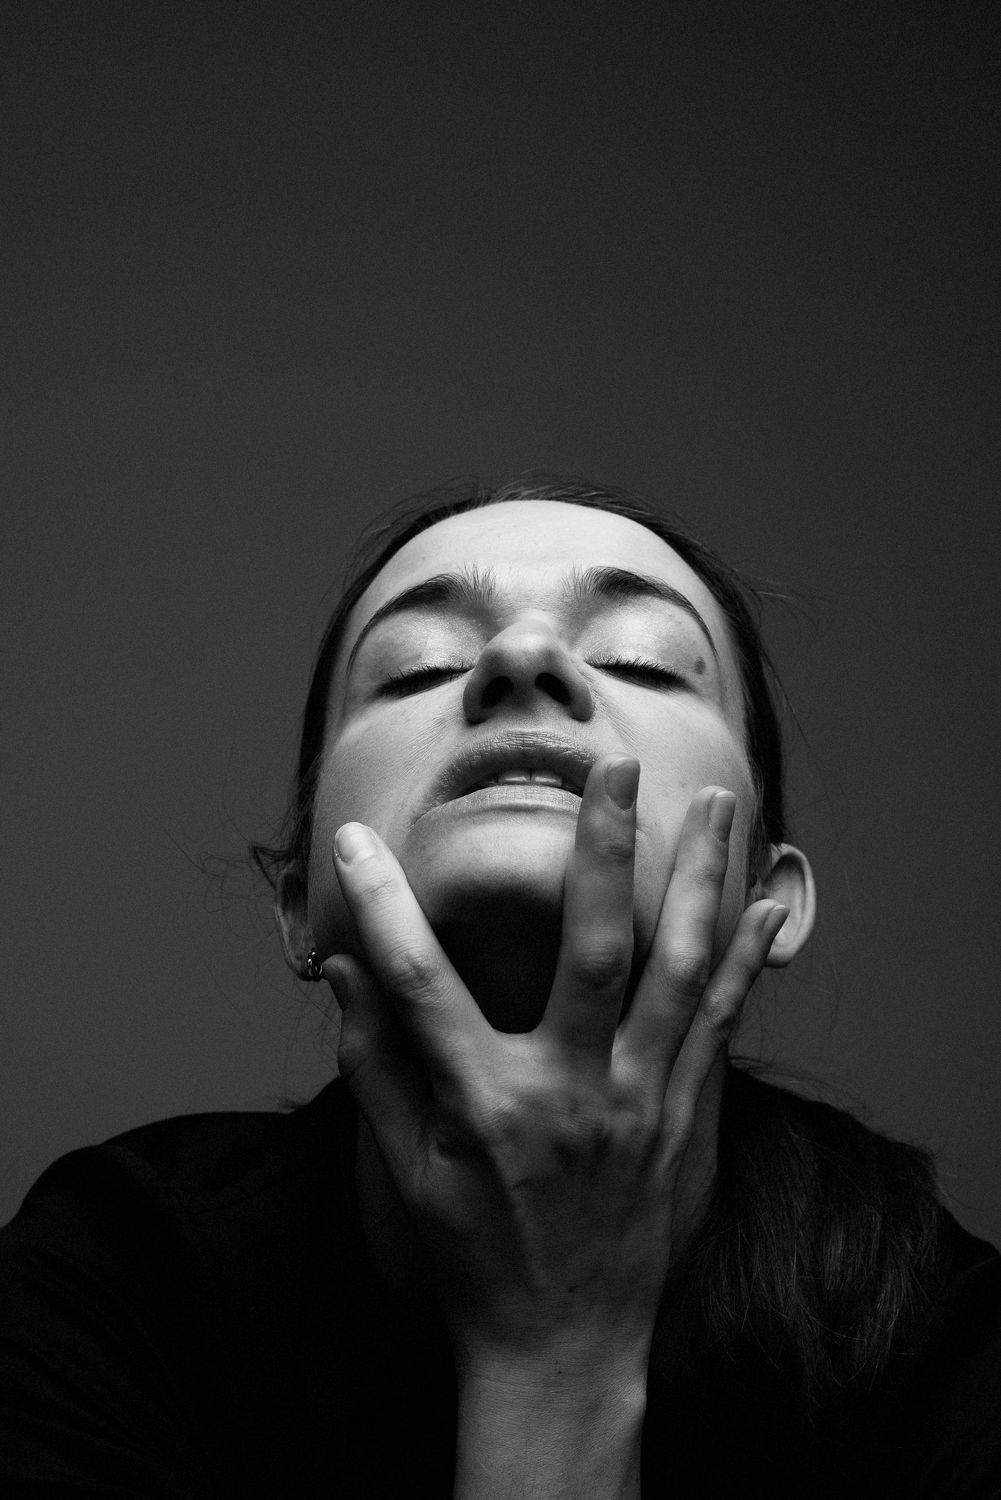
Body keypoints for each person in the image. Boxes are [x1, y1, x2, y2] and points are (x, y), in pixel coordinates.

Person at [2, 476, 999, 1498]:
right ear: (299, 904)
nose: (521, 659)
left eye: (640, 659)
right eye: (418, 666)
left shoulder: (948, 1347)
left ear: (766, 899)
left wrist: (558, 1343)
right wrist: (552, 1348)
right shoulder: (120, 1275)